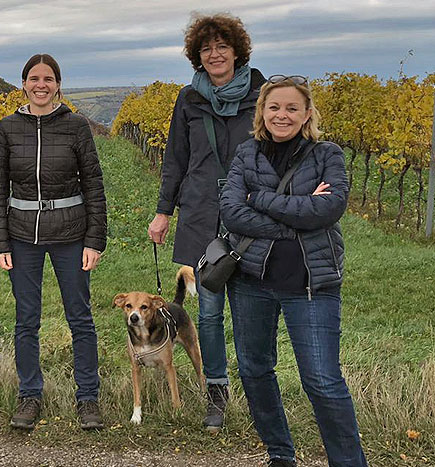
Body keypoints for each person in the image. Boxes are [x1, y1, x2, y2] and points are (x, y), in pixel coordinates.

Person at [219, 75, 367, 467]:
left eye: (291, 108)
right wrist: (297, 217)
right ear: (262, 112)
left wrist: (259, 199)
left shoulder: (327, 155)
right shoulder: (246, 153)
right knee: (254, 370)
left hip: (311, 284)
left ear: (306, 114)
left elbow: (328, 210)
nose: (281, 115)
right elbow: (231, 213)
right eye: (274, 107)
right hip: (251, 281)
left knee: (322, 380)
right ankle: (281, 454)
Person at [146, 13, 265, 432]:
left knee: (250, 313)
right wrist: (164, 211)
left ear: (237, 51)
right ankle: (216, 390)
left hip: (251, 216)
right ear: (197, 56)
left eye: (222, 46)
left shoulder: (261, 94)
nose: (215, 54)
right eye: (206, 49)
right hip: (199, 215)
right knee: (210, 312)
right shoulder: (188, 99)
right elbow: (175, 158)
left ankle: (258, 392)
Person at [0, 53, 107, 430]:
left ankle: (88, 397)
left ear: (58, 84)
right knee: (26, 320)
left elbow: (94, 185)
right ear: (24, 83)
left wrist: (95, 239)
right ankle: (29, 395)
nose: (41, 85)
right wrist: (0, 241)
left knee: (81, 318)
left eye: (49, 79)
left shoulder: (76, 127)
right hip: (22, 234)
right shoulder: (7, 127)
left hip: (71, 234)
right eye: (34, 78)